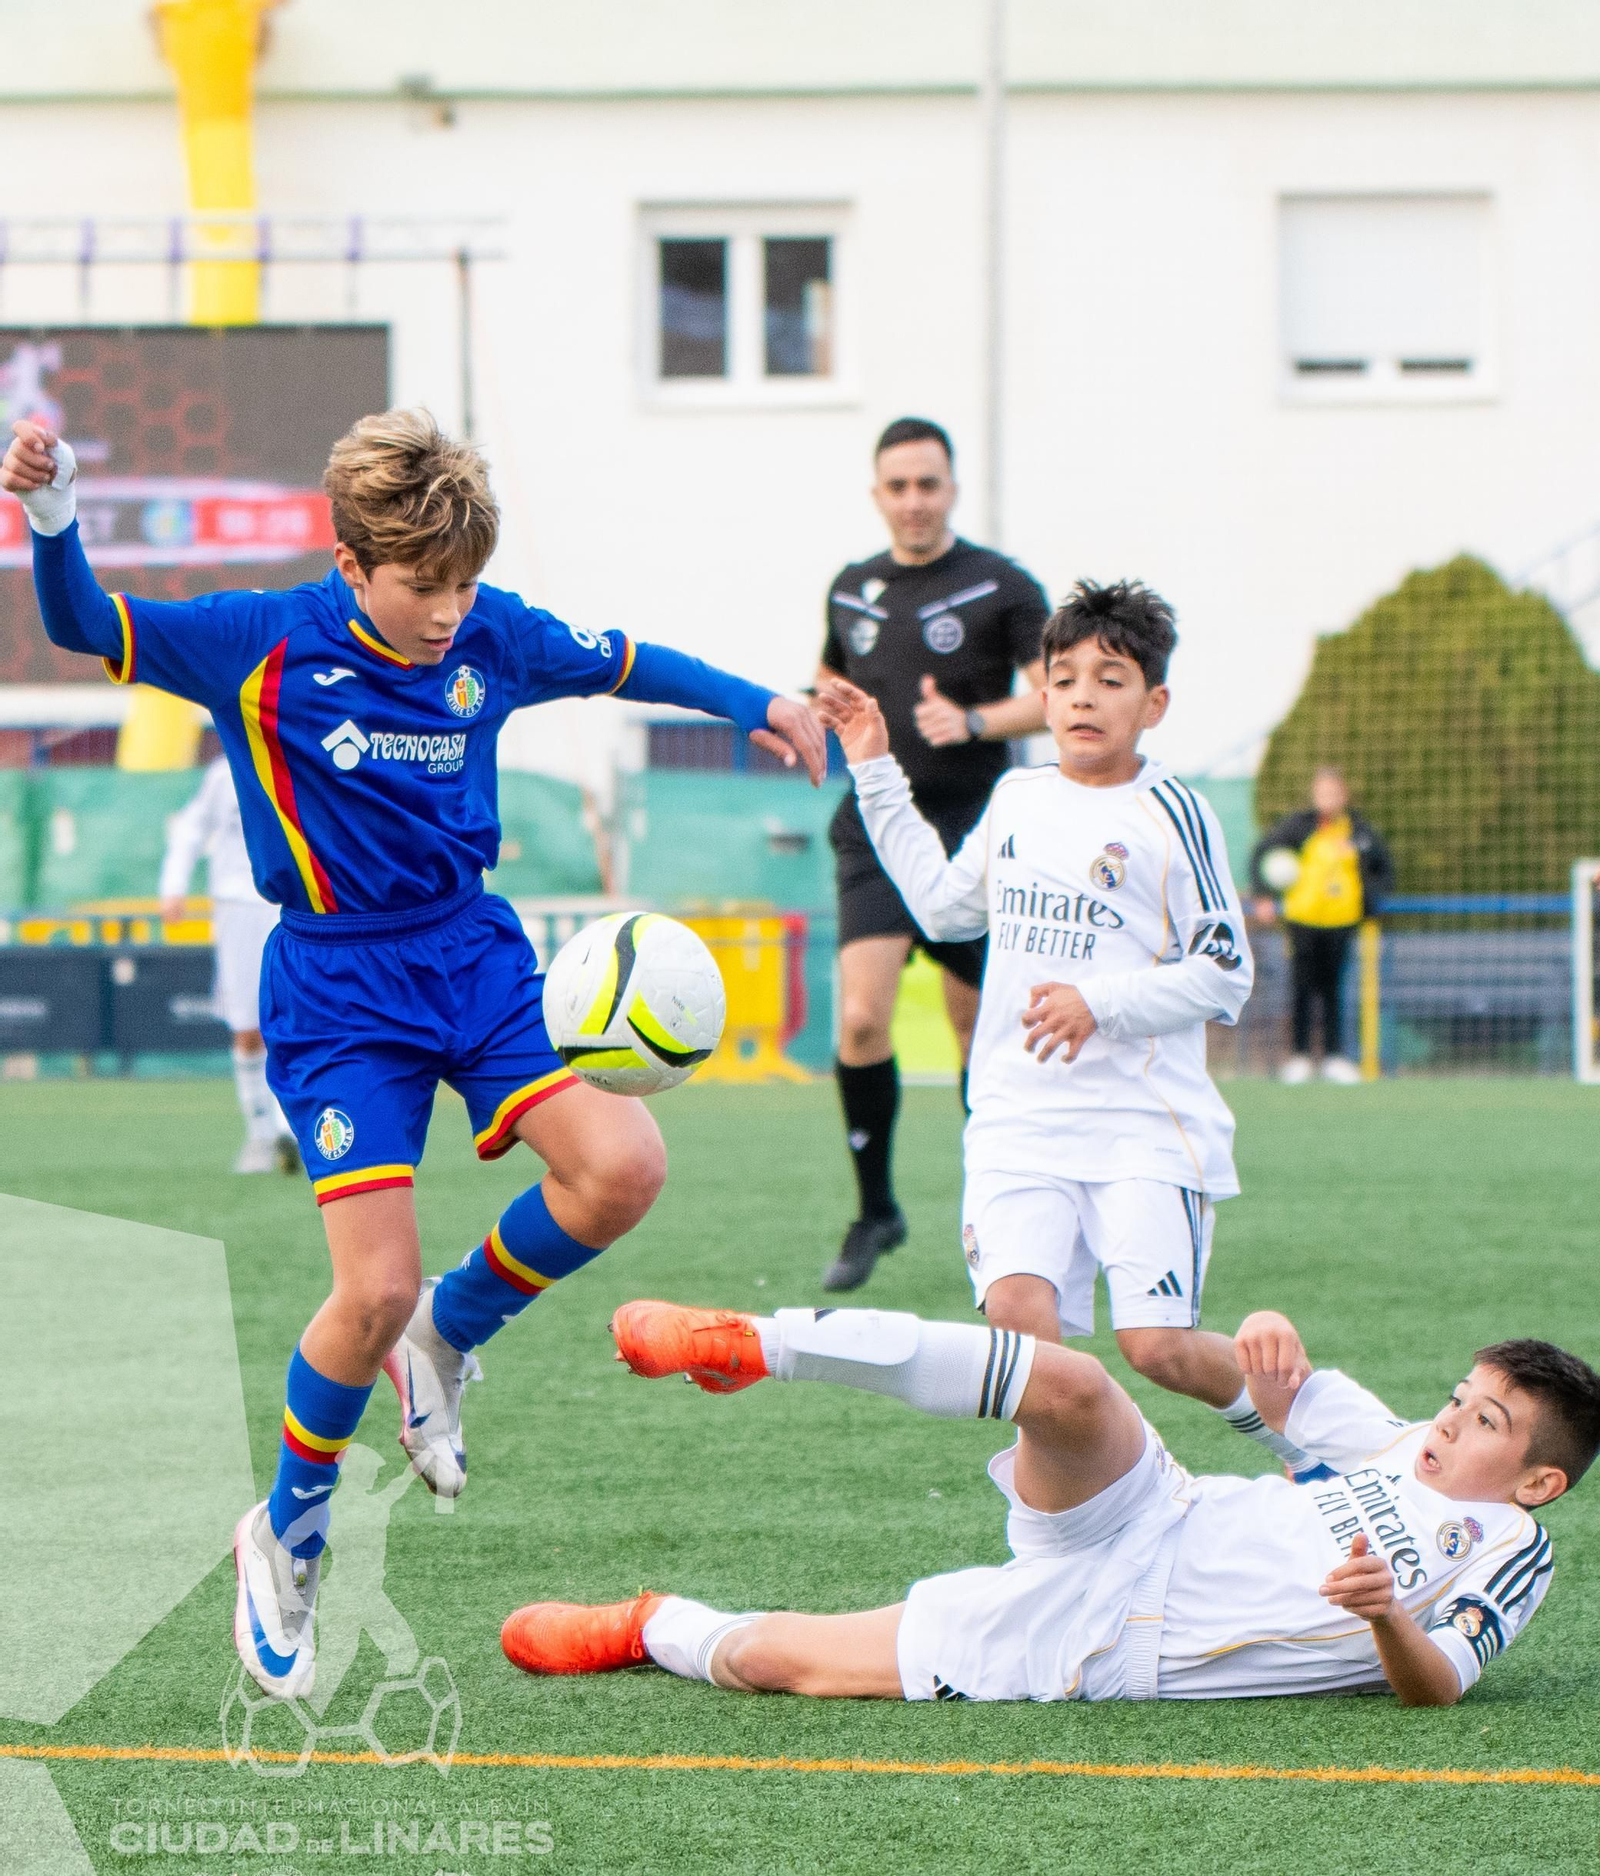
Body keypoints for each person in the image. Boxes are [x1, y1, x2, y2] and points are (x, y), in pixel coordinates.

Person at [3, 407, 824, 1699]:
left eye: (462, 584)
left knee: (621, 1169)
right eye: (421, 587)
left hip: (475, 957)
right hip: (336, 987)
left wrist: (759, 701)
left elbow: (624, 663)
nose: (448, 612)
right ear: (353, 567)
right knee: (363, 1292)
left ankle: (454, 1327)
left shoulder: (489, 634)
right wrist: (52, 515)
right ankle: (286, 1533)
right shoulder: (258, 643)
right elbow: (82, 623)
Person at [502, 1296, 1596, 1708]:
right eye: (1461, 1396)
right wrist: (1257, 1351)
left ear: (1540, 1480)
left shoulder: (1511, 1546)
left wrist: (1383, 1614)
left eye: (1487, 1421)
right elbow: (1234, 1378)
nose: (1451, 1419)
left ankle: (651, 1623)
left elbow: (1440, 1683)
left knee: (777, 1664)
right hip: (1152, 1511)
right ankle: (755, 1343)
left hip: (1110, 1640)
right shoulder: (1394, 1433)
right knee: (1071, 1381)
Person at [815, 583, 1303, 1467]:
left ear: (1153, 704)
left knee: (1156, 1348)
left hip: (1139, 1127)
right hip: (1017, 1120)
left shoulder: (1172, 814)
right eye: (1066, 676)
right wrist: (876, 766)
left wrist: (1100, 1001)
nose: (1084, 695)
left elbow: (1226, 971)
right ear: (1041, 696)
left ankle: (1314, 1436)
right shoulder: (1017, 801)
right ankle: (1112, 1507)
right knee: (1023, 1332)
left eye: (1111, 679)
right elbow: (939, 905)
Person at [816, 417, 1049, 1292]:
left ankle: (993, 1207)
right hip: (878, 829)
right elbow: (829, 676)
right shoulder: (852, 587)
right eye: (898, 486)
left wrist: (976, 720)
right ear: (878, 494)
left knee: (974, 1033)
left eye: (929, 484)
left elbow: (1057, 694)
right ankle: (876, 1209)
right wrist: (818, 713)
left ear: (951, 488)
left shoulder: (1002, 585)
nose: (914, 501)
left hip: (973, 830)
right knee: (862, 1020)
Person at [159, 755, 299, 1174]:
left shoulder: (298, 759)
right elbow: (191, 828)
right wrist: (173, 886)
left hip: (292, 906)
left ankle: (287, 1129)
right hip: (237, 905)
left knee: (295, 1022)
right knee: (247, 1026)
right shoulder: (224, 774)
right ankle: (260, 1134)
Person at [1251, 767, 1393, 1085]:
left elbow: (1383, 868)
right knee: (1301, 987)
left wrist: (1371, 903)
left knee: (1333, 989)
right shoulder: (1298, 827)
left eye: (1333, 792)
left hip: (1342, 921)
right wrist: (1263, 895)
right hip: (1303, 920)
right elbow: (1262, 852)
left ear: (1343, 795)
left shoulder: (1358, 831)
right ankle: (1300, 1056)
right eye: (1322, 792)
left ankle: (1334, 1056)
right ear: (1314, 795)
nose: (1327, 798)